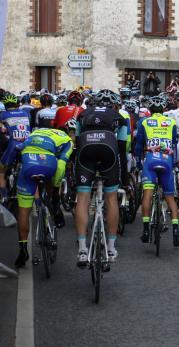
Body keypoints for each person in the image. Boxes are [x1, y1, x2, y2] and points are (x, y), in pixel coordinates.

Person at [74, 90, 128, 266]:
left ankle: (82, 249)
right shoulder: (119, 116)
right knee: (111, 198)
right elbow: (122, 149)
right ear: (113, 104)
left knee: (83, 198)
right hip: (109, 151)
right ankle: (111, 248)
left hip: (86, 151)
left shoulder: (83, 114)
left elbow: (76, 143)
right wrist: (124, 179)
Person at [13, 128, 73, 267]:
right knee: (52, 180)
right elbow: (61, 166)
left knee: (23, 211)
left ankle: (23, 250)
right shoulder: (67, 140)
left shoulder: (35, 133)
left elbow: (18, 148)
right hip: (48, 165)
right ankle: (52, 205)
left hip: (28, 164)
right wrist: (56, 192)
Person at [135, 96, 179, 247]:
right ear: (163, 109)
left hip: (151, 159)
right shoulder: (171, 122)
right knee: (170, 198)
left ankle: (146, 229)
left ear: (150, 110)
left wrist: (138, 162)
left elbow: (138, 145)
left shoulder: (144, 122)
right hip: (166, 159)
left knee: (147, 195)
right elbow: (174, 141)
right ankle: (176, 231)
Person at [0, 93, 31, 203]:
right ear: (16, 103)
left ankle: (4, 196)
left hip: (13, 145)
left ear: (5, 104)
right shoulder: (25, 113)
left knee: (0, 171)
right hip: (28, 143)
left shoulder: (3, 115)